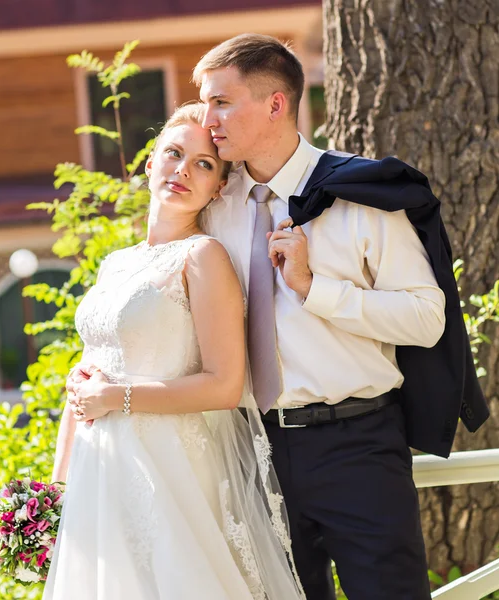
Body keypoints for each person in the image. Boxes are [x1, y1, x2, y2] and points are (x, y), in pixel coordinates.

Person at [193, 34, 449, 600]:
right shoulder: (211, 204)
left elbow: (427, 318)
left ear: (275, 105)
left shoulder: (360, 194)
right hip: (251, 454)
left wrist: (314, 288)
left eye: (221, 102)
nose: (206, 118)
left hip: (356, 443)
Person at [43, 103, 305, 600]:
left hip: (169, 466)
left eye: (204, 164)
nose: (184, 169)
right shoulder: (115, 264)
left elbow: (226, 384)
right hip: (97, 470)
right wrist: (55, 492)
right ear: (150, 164)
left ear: (216, 187)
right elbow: (83, 384)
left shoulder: (203, 257)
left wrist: (117, 397)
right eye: (173, 153)